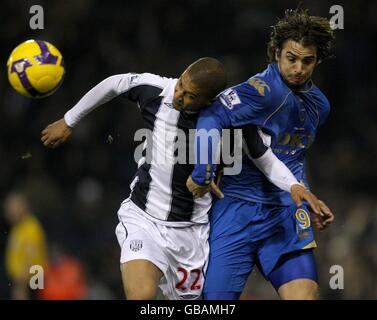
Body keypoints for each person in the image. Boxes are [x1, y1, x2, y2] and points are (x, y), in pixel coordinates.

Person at [41, 57, 325, 300]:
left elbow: (263, 157)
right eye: (181, 86)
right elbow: (115, 83)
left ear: (209, 100)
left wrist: (294, 185)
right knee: (141, 296)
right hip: (145, 219)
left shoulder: (231, 118)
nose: (179, 96)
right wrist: (69, 120)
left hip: (191, 235)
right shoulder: (157, 91)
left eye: (190, 95)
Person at [187, 9, 335, 300]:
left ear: (317, 61)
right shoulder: (261, 90)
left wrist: (307, 196)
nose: (299, 68)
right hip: (235, 210)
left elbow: (292, 157)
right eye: (291, 58)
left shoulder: (320, 106)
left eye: (308, 61)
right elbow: (211, 116)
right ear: (277, 53)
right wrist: (203, 169)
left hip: (284, 212)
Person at [3, 191, 48, 300]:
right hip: (23, 282)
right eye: (8, 208)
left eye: (13, 207)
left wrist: (22, 286)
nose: (9, 211)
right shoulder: (19, 228)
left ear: (24, 206)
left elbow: (31, 259)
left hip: (30, 283)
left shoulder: (30, 228)